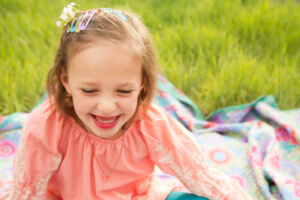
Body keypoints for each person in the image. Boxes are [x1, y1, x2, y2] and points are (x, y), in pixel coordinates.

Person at [7, 4, 253, 200]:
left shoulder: (150, 123)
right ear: (66, 80)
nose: (106, 106)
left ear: (143, 82)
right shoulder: (46, 126)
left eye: (123, 91)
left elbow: (200, 175)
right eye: (90, 90)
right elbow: (27, 192)